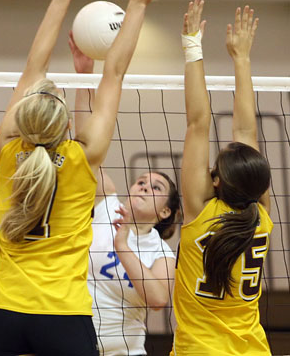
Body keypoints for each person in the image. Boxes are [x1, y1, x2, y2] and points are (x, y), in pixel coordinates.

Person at [0, 0, 178, 356]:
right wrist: (138, 3)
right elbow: (115, 73)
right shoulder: (81, 158)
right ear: (67, 126)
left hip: (5, 312)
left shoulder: (7, 152)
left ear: (23, 120)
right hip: (63, 315)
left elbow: (31, 71)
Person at [171, 0, 273, 355]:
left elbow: (198, 121)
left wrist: (191, 45)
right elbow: (246, 131)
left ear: (215, 181)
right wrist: (242, 59)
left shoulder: (201, 212)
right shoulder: (261, 215)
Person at [70, 45, 180, 355]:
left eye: (156, 188)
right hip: (77, 343)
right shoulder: (106, 203)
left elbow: (158, 300)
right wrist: (83, 77)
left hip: (125, 351)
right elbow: (86, 146)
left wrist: (123, 246)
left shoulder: (160, 251)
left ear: (165, 211)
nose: (145, 186)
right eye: (142, 181)